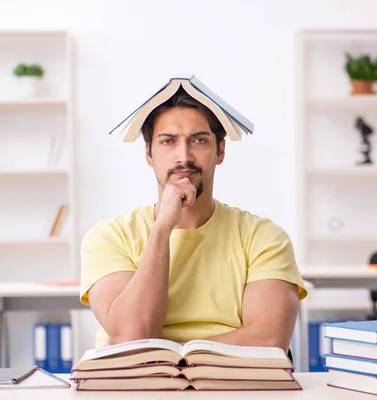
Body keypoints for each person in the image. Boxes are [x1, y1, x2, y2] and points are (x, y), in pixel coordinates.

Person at [80, 86, 307, 354]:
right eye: (168, 141)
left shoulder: (263, 237)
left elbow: (269, 341)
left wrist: (170, 351)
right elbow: (133, 334)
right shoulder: (110, 237)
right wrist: (162, 227)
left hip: (231, 388)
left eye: (199, 140)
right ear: (149, 154)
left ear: (220, 151)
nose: (184, 156)